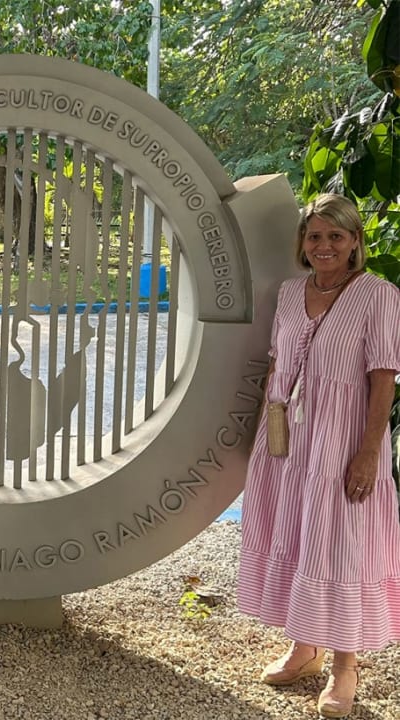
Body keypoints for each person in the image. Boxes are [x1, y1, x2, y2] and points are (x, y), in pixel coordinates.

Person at [237, 193, 400, 718]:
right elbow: (276, 366)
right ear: (302, 244)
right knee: (296, 532)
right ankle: (303, 648)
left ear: (355, 241)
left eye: (336, 235)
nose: (324, 245)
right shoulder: (288, 293)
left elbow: (383, 378)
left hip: (343, 438)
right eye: (314, 236)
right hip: (288, 438)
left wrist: (369, 452)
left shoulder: (379, 295)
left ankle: (344, 666)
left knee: (340, 544)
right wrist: (266, 434)